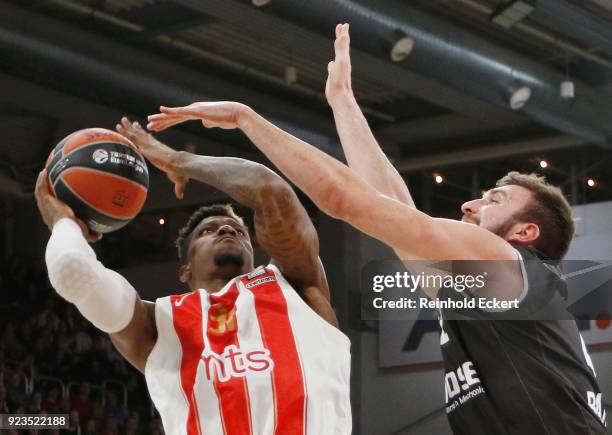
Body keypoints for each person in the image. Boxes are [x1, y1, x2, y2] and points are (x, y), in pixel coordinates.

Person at [145, 23, 607, 435]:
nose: (470, 203)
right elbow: (394, 212)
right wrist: (343, 102)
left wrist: (246, 118)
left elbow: (346, 201)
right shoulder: (490, 288)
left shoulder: (499, 261)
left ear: (524, 233)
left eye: (494, 200)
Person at [35, 119, 351, 434]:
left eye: (240, 231)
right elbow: (72, 271)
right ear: (185, 269)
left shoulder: (296, 287)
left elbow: (270, 191)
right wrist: (66, 225)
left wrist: (178, 161)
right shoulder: (155, 324)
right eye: (207, 230)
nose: (227, 229)